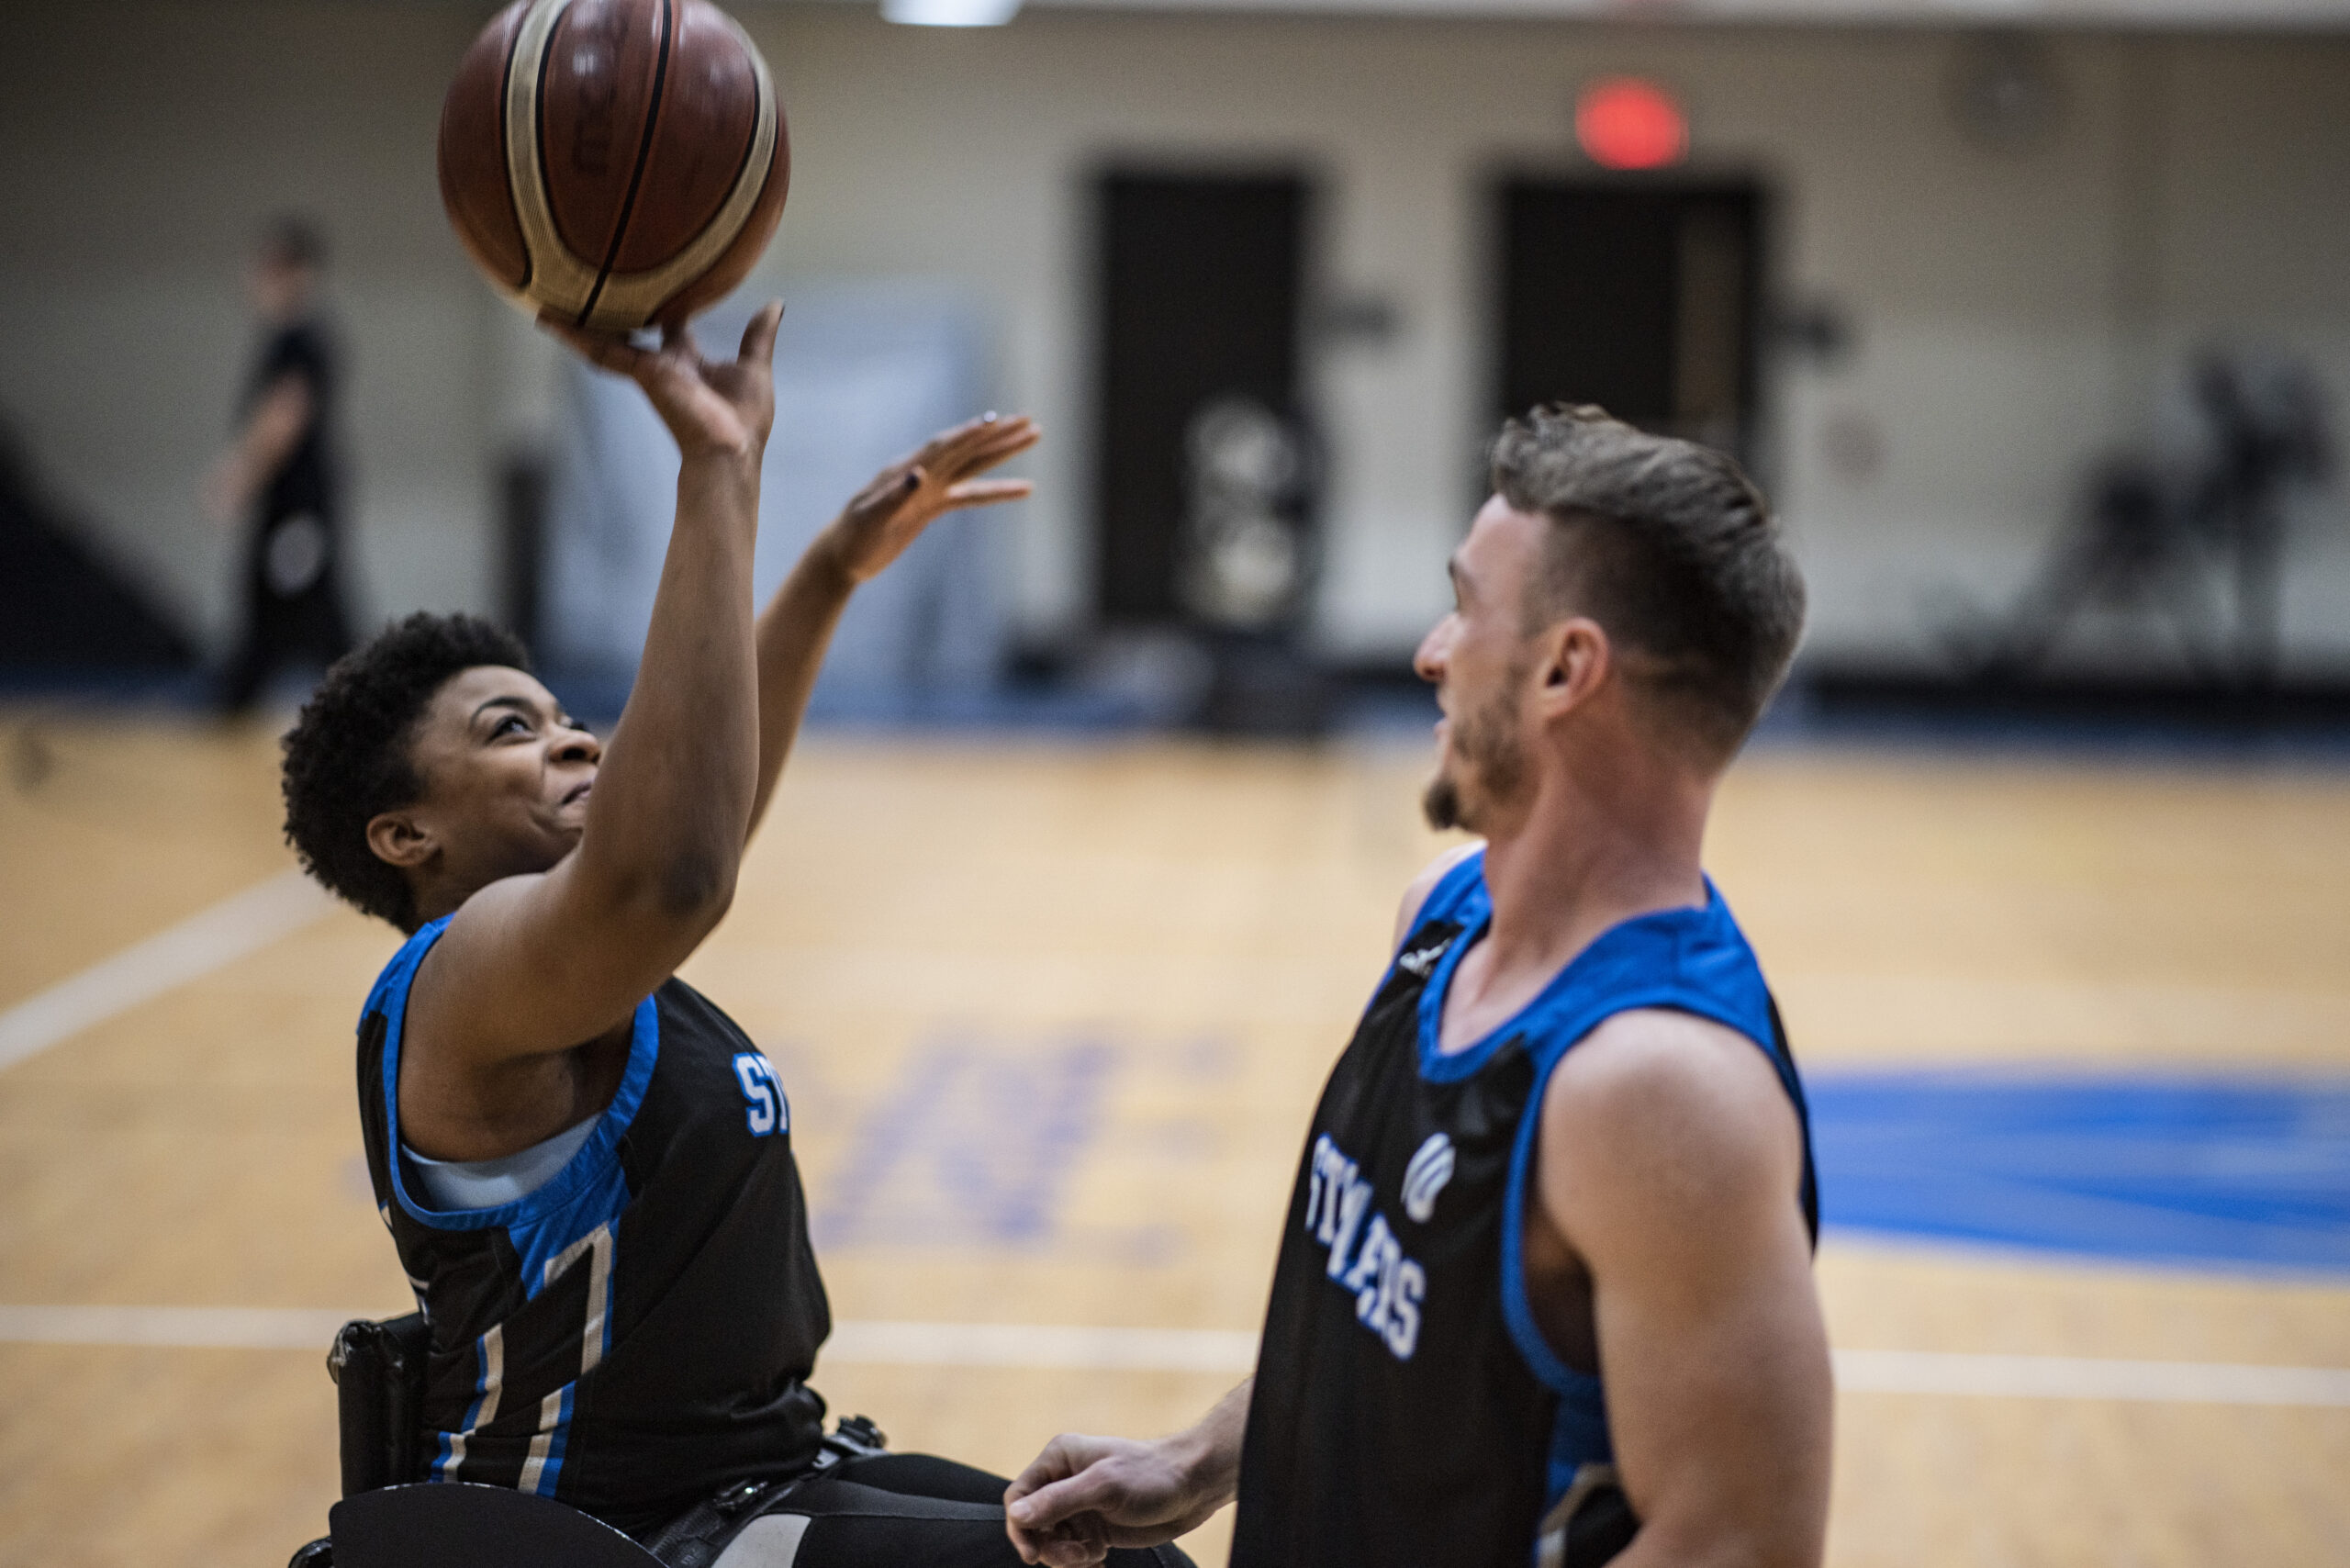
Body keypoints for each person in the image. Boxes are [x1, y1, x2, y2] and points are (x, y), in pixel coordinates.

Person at [280, 306, 1184, 1568]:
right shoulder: (462, 983)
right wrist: (717, 468)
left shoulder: (594, 957)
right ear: (404, 836)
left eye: (561, 714)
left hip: (757, 1471)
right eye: (508, 731)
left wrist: (829, 572)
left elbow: (704, 805)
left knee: (1125, 1549)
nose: (576, 740)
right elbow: (676, 870)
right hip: (593, 1532)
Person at [1002, 406, 1830, 1568]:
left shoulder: (1659, 1086)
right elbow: (1401, 1336)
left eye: (1466, 606)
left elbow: (1738, 1544)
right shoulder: (1438, 915)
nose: (1428, 652)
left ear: (1563, 668)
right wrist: (1200, 1460)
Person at [207, 217, 357, 714]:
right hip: (291, 509)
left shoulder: (300, 341)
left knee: (316, 619)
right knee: (275, 618)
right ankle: (234, 701)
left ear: (295, 272)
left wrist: (237, 477)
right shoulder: (288, 340)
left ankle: (370, 710)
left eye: (268, 267)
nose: (256, 280)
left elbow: (283, 417)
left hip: (299, 512)